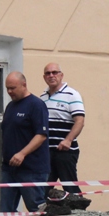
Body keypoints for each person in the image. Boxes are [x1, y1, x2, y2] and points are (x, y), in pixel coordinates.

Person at [0, 72, 49, 214]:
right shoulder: (10, 107)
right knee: (5, 211)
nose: (9, 92)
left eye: (13, 88)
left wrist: (22, 153)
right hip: (9, 169)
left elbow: (41, 135)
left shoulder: (36, 105)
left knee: (36, 209)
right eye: (7, 88)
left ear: (24, 85)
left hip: (31, 169)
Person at [39, 63, 85, 194]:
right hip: (47, 151)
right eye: (48, 73)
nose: (51, 75)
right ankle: (46, 213)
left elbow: (80, 121)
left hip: (65, 151)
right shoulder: (43, 97)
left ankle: (79, 213)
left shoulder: (72, 95)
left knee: (70, 186)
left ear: (61, 75)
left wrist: (68, 140)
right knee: (44, 189)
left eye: (54, 72)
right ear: (44, 77)